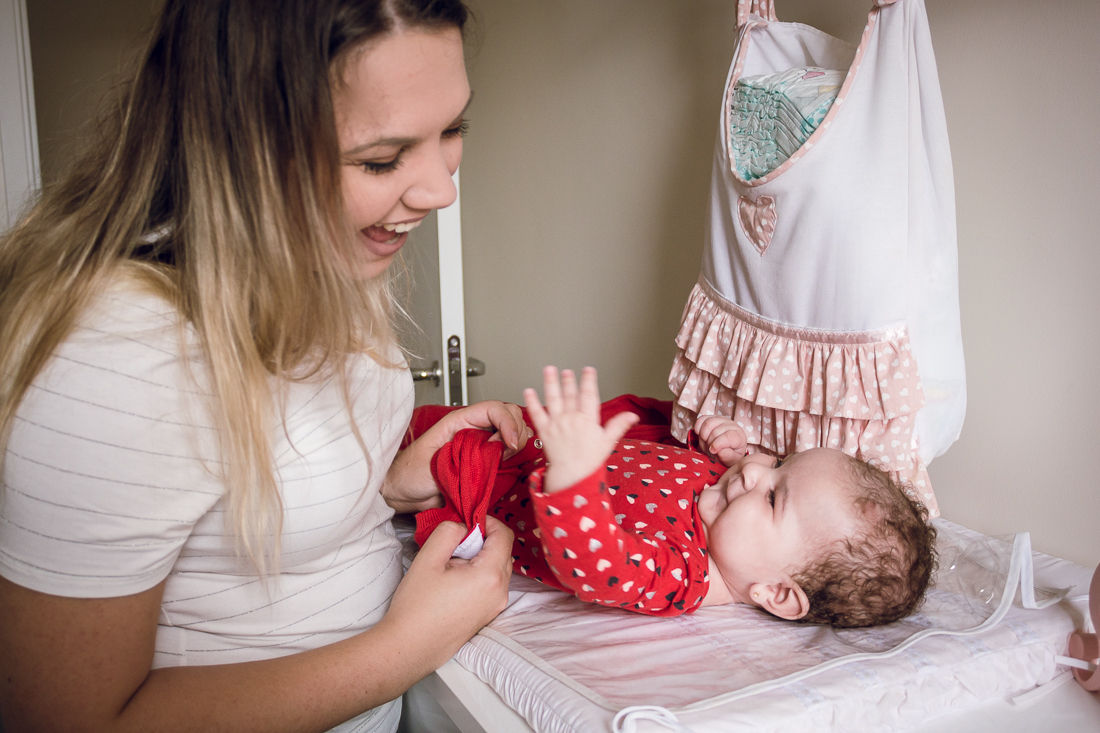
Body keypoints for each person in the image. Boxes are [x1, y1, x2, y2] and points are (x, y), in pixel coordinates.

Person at [0, 2, 530, 731]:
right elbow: (68, 719)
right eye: (381, 159)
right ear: (244, 151)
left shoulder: (321, 261)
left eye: (453, 130)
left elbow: (242, 514)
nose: (441, 189)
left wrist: (388, 484)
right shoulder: (117, 353)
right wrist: (406, 647)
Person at [488, 366, 935, 628]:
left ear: (777, 593)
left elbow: (599, 566)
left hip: (490, 494)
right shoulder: (726, 490)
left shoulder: (685, 576)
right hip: (521, 447)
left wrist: (574, 480)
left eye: (774, 498)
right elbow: (665, 470)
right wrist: (714, 446)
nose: (755, 471)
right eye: (779, 463)